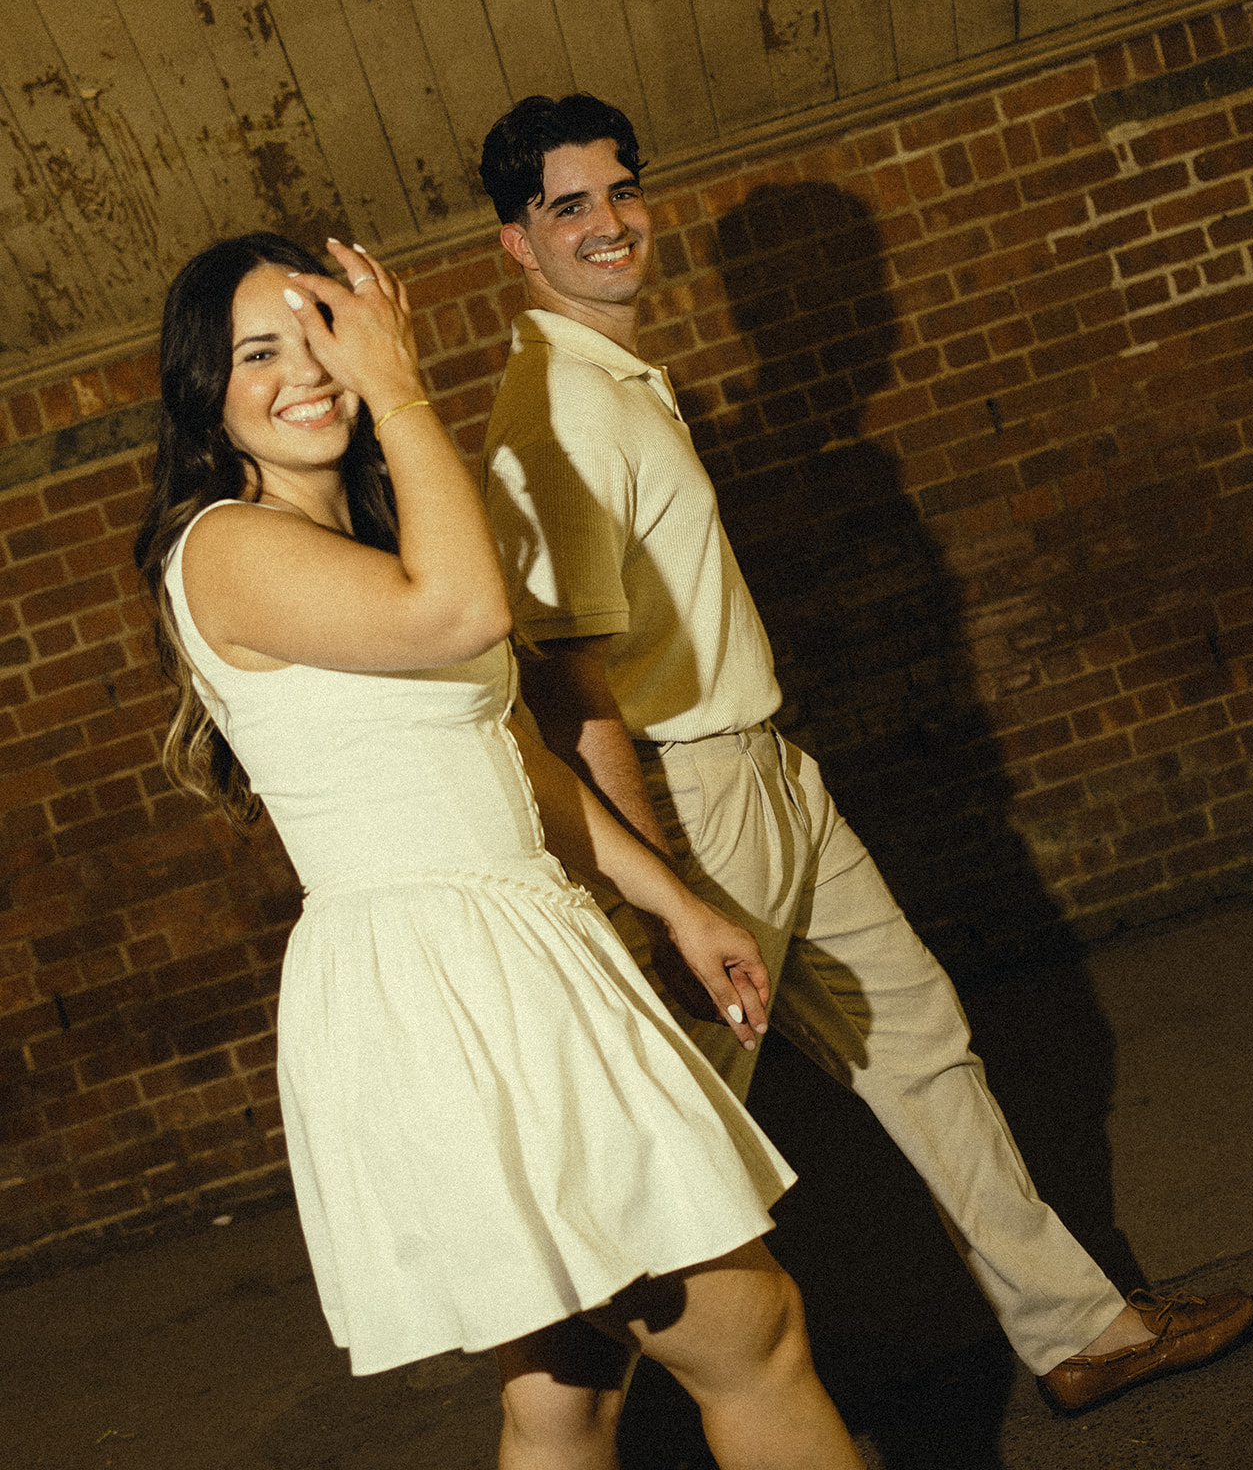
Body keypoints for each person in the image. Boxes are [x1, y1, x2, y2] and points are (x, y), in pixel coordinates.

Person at [477, 94, 1253, 1416]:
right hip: (694, 789)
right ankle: (568, 1414)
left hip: (766, 766)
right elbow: (569, 676)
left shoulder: (620, 385)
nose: (610, 223)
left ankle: (1083, 1328)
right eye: (570, 207)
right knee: (670, 1120)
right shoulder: (556, 415)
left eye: (622, 190)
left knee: (915, 1036)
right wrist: (652, 883)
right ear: (516, 244)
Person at [133, 231, 866, 1470]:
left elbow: (506, 752)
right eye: (262, 351)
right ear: (207, 395)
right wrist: (401, 386)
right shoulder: (225, 545)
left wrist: (672, 901)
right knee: (755, 1336)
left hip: (500, 948)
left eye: (326, 333)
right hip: (445, 982)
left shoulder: (366, 540)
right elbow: (464, 616)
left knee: (563, 1389)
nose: (308, 370)